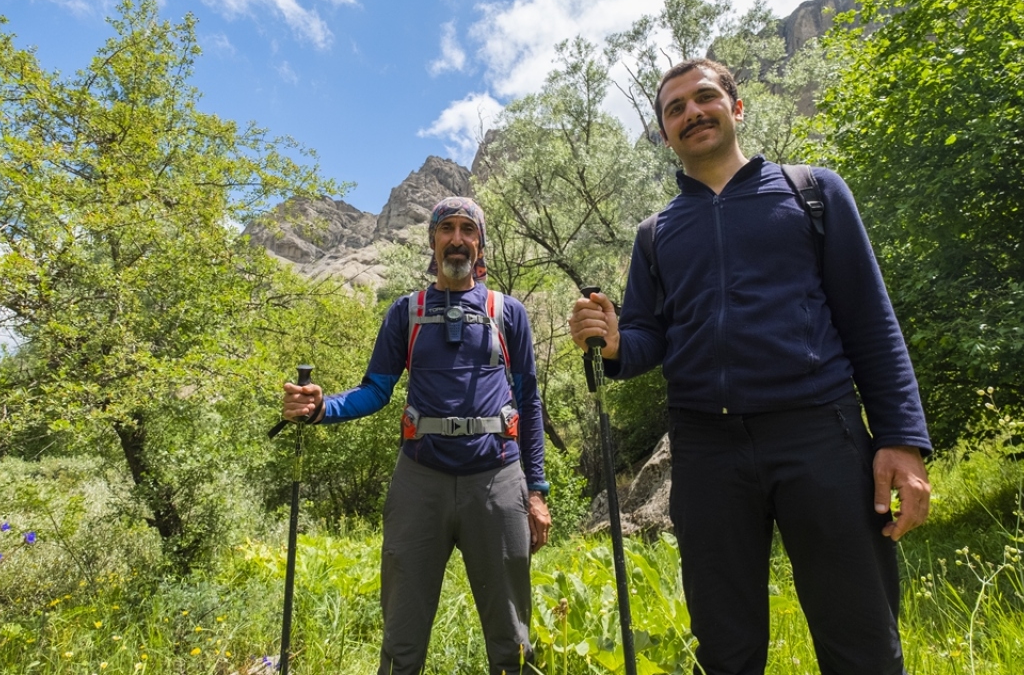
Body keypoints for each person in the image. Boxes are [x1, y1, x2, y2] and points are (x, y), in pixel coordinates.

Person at [568, 58, 932, 675]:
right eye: (675, 109)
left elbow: (870, 320)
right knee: (725, 651)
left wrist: (901, 439)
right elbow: (650, 337)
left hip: (820, 433)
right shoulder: (655, 233)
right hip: (705, 452)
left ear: (736, 107)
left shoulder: (812, 192)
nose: (691, 113)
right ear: (665, 135)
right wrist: (613, 343)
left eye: (704, 97)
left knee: (862, 642)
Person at [283, 196, 552, 675]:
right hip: (419, 482)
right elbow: (374, 391)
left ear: (480, 244)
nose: (457, 238)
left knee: (512, 642)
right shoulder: (405, 313)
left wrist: (536, 491)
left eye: (467, 229)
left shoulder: (507, 313)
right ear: (432, 241)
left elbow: (529, 402)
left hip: (497, 479)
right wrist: (322, 408)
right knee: (401, 641)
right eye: (447, 228)